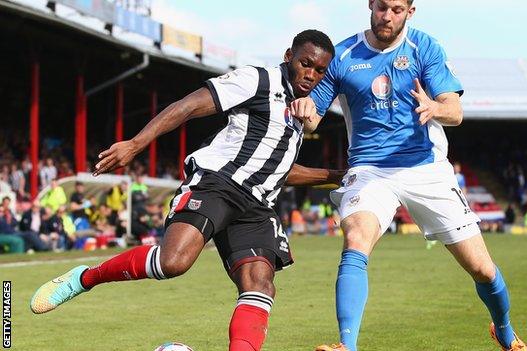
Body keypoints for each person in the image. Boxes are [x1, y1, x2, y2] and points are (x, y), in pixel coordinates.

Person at [31, 30, 341, 351]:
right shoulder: (257, 80)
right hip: (218, 183)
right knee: (173, 262)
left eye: (320, 71)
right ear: (289, 55)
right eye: (306, 64)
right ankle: (85, 278)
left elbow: (280, 169)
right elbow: (188, 106)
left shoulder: (303, 111)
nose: (311, 75)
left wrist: (336, 175)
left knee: (260, 284)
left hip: (257, 204)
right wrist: (135, 144)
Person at [309, 1, 527, 350]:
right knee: (356, 239)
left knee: (482, 269)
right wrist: (305, 109)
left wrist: (435, 107)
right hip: (369, 169)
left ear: (410, 12)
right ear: (370, 4)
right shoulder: (343, 54)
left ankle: (504, 331)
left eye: (397, 9)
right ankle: (346, 346)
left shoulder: (424, 47)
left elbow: (455, 112)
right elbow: (312, 117)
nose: (387, 16)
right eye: (382, 7)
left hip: (425, 167)